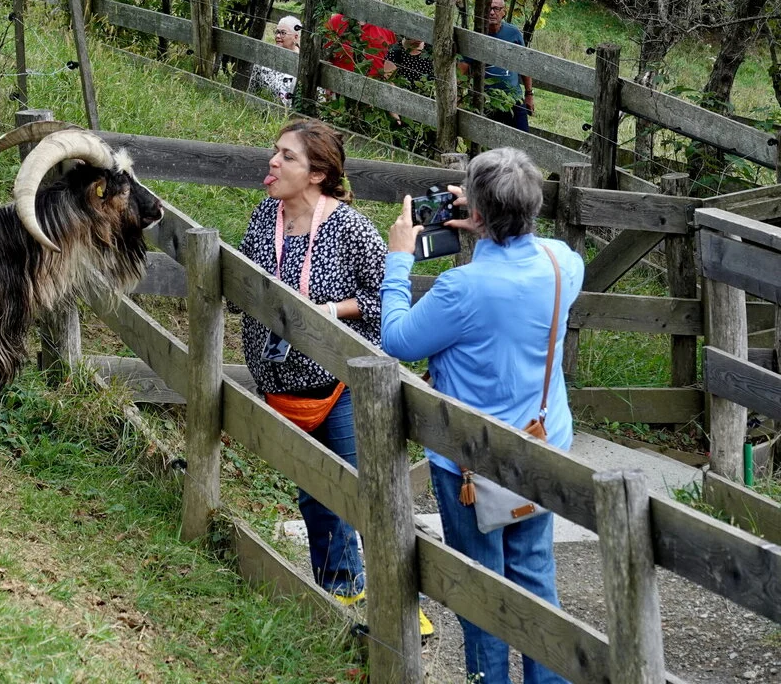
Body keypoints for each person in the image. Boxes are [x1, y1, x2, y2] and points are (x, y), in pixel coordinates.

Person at [380, 147, 583, 683]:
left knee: (481, 597)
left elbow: (398, 338)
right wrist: (488, 222)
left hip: (471, 464)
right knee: (535, 582)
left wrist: (400, 257)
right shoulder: (566, 263)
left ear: (480, 213)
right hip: (541, 446)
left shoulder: (461, 289)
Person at [235, 120, 434, 636]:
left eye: (288, 157)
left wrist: (330, 309)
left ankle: (401, 610)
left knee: (362, 493)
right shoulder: (265, 217)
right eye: (274, 152)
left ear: (318, 173)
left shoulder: (350, 228)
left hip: (341, 384)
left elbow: (386, 299)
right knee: (315, 492)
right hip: (282, 385)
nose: (273, 163)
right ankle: (340, 599)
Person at [459, 0, 535, 131]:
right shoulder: (476, 35)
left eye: (496, 9)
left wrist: (529, 94)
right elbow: (462, 69)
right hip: (486, 101)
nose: (492, 12)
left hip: (513, 99)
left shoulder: (514, 34)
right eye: (488, 9)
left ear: (504, 12)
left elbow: (524, 65)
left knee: (521, 143)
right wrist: (458, 95)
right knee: (489, 147)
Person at [249, 16, 301, 106]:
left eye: (283, 33)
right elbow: (252, 92)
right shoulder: (265, 58)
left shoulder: (303, 63)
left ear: (295, 37)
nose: (277, 36)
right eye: (277, 32)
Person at [324, 14, 396, 78]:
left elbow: (391, 66)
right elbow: (323, 53)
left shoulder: (386, 29)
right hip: (336, 81)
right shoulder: (337, 21)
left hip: (372, 86)